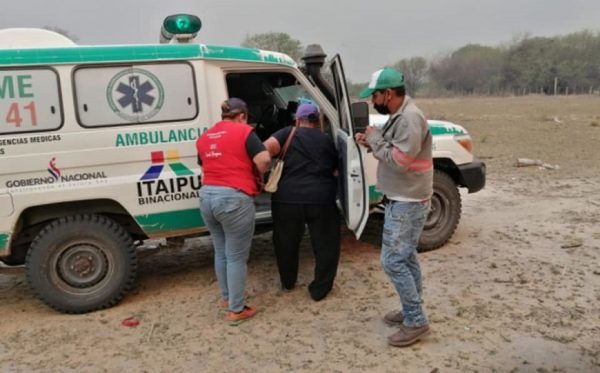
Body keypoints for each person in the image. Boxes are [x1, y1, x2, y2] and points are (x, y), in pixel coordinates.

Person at [355, 67, 433, 347]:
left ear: (388, 94)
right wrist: (371, 142)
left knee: (393, 261)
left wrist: (374, 139)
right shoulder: (399, 116)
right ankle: (411, 309)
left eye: (374, 96)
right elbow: (391, 148)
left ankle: (416, 320)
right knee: (407, 257)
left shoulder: (410, 118)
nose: (372, 101)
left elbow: (400, 160)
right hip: (401, 197)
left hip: (409, 201)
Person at [196, 97, 270, 322]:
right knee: (237, 256)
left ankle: (228, 297)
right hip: (233, 198)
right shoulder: (244, 132)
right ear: (242, 116)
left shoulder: (205, 137)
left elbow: (203, 166)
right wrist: (259, 175)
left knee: (221, 250)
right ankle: (237, 310)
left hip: (207, 196)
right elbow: (264, 158)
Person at [263, 103, 340, 301]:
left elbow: (265, 150)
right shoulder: (327, 140)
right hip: (320, 199)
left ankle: (288, 282)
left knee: (285, 241)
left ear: (297, 120)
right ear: (318, 121)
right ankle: (319, 289)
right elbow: (335, 169)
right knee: (325, 244)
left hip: (287, 199)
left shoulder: (287, 133)